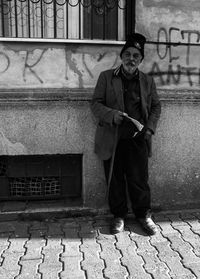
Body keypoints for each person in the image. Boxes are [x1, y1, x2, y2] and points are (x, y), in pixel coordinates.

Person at [91, 33, 161, 235]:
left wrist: (149, 128)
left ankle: (143, 215)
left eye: (136, 56)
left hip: (138, 139)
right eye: (128, 54)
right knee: (115, 179)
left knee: (139, 179)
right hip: (112, 138)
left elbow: (156, 106)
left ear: (140, 60)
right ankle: (119, 216)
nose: (132, 59)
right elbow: (95, 104)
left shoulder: (147, 81)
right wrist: (112, 115)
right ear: (122, 56)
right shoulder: (106, 77)